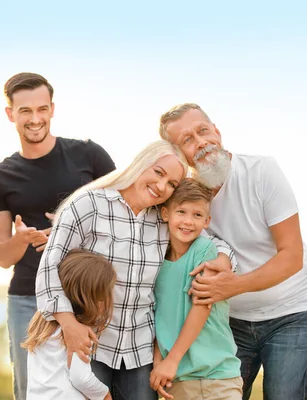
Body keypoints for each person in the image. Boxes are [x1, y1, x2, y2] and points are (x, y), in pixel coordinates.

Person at [36, 140, 236, 399]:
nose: (162, 186)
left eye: (172, 184)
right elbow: (49, 268)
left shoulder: (162, 217)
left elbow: (204, 237)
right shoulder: (90, 204)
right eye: (158, 172)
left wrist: (225, 257)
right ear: (141, 163)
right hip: (91, 343)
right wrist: (68, 324)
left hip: (139, 350)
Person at [159, 103, 307, 400]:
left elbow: (292, 255)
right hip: (230, 321)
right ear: (178, 154)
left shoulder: (261, 171)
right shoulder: (185, 200)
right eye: (187, 140)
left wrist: (234, 286)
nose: (201, 143)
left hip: (292, 311)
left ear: (217, 131)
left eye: (203, 131)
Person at [0, 72, 116, 399]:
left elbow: (122, 214)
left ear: (52, 109)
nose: (35, 118)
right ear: (10, 114)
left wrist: (71, 226)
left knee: (93, 388)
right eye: (25, 111)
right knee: (32, 390)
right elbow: (2, 256)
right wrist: (22, 240)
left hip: (89, 297)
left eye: (42, 109)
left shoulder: (88, 155)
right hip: (30, 299)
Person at [150, 178, 242, 400]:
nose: (188, 222)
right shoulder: (155, 260)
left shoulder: (205, 250)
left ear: (207, 221)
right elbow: (158, 315)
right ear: (165, 214)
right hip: (178, 380)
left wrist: (171, 360)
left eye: (197, 215)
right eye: (181, 211)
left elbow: (202, 307)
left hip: (215, 377)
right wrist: (159, 360)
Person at [23, 249, 116, 400]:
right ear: (91, 298)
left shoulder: (43, 324)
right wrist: (104, 394)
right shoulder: (78, 333)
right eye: (105, 295)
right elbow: (81, 378)